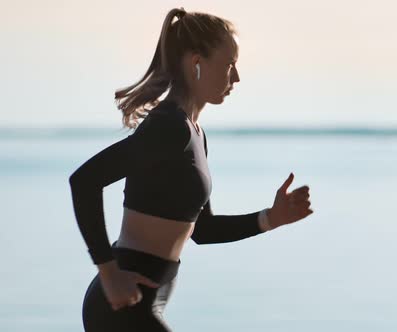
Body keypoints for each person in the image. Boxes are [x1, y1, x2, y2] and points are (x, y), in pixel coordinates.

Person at [68, 7, 314, 331]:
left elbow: (203, 230)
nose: (236, 77)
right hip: (122, 304)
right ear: (197, 63)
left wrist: (270, 218)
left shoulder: (194, 132)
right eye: (229, 64)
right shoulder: (169, 127)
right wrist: (108, 271)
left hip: (141, 301)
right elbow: (84, 180)